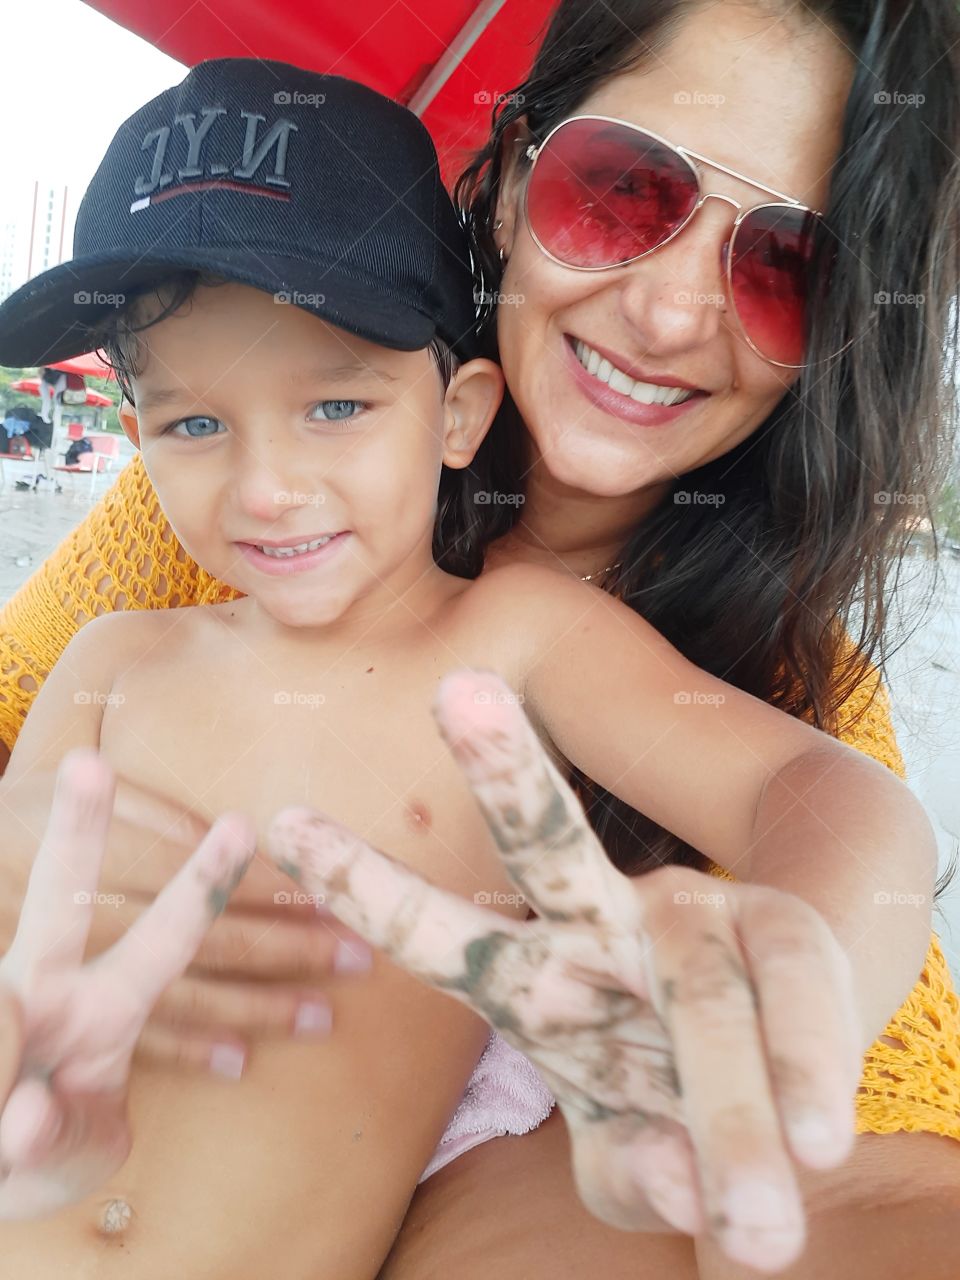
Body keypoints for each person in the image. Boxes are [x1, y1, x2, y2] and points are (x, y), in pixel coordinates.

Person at [0, 1, 957, 1276]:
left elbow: (832, 805)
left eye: (786, 262)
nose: (670, 316)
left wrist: (798, 988)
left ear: (456, 412)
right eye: (624, 191)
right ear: (508, 173)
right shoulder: (128, 629)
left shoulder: (554, 639)